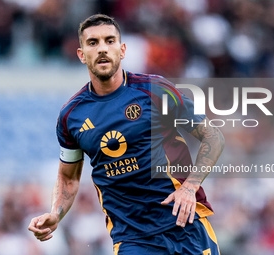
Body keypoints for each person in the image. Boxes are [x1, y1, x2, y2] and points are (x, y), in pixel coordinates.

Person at [28, 14, 225, 254]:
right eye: (93, 43)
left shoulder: (155, 89)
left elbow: (212, 136)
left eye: (109, 41)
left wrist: (189, 187)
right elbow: (68, 178)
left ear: (122, 50)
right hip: (133, 238)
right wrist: (55, 213)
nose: (102, 49)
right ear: (81, 55)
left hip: (186, 225)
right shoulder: (71, 116)